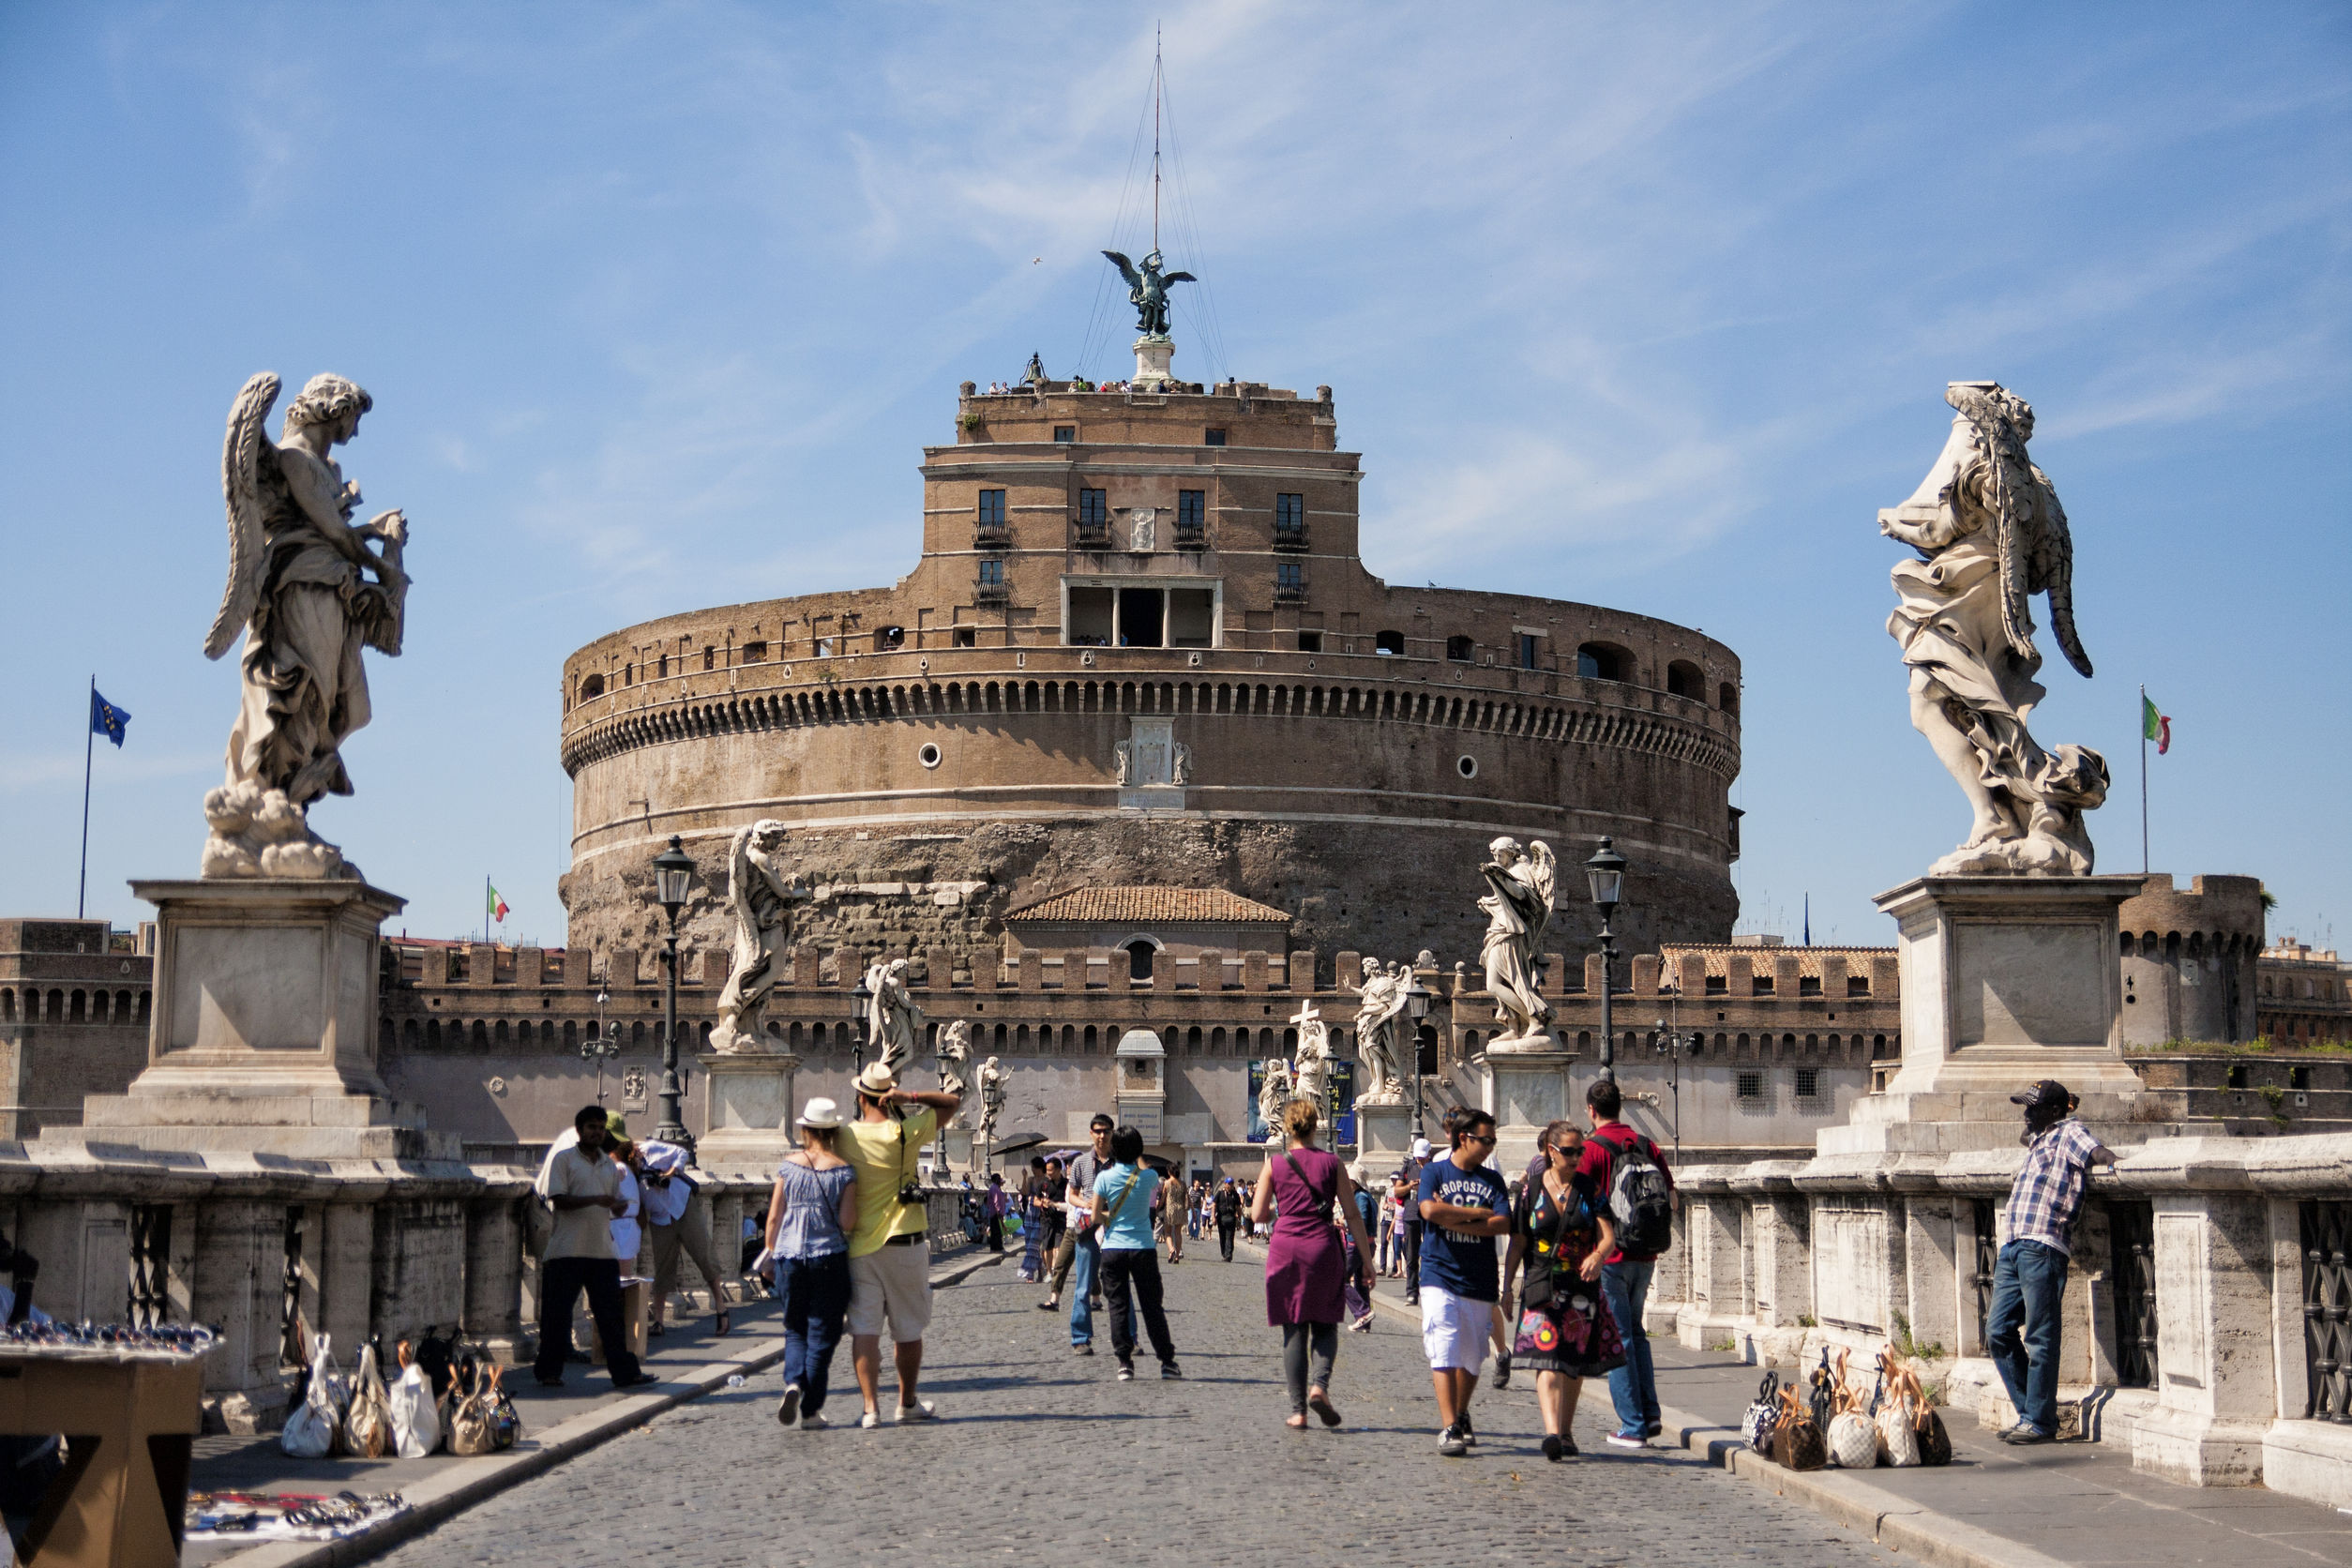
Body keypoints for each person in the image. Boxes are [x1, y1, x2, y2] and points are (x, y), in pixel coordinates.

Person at [1989, 1079, 2117, 1445]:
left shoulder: (2070, 1132)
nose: (2026, 1113)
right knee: (1997, 1332)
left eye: (2033, 1107)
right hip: (2012, 1244)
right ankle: (2032, 1413)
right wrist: (2033, 1126)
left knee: (2040, 1337)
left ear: (2057, 1111)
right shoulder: (2038, 1140)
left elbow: (2097, 1153)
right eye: (2025, 1107)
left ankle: (2040, 1422)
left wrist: (2115, 1164)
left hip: (2043, 1245)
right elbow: (2026, 1133)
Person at [840, 1062, 961, 1427]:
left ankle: (869, 1408)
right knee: (907, 1329)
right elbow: (952, 1102)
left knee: (865, 1329)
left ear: (860, 1097)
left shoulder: (844, 1136)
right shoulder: (905, 1132)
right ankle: (906, 1403)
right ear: (886, 1096)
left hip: (860, 1245)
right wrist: (908, 1096)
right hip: (905, 1242)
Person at [1502, 1120, 1624, 1462]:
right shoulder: (1531, 1190)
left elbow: (1608, 1235)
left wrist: (1599, 1256)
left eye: (1580, 1151)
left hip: (1580, 1287)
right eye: (1569, 1152)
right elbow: (1518, 1241)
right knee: (1546, 1359)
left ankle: (1567, 1432)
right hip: (1542, 1282)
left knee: (1571, 1363)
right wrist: (1508, 1287)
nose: (1576, 1158)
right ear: (1550, 1151)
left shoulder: (1589, 1189)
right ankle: (1552, 1432)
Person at [1253, 1099, 1373, 1427]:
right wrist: (1366, 1260)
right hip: (1322, 1247)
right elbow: (1352, 1216)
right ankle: (1320, 1386)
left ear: (1288, 1127)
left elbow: (1257, 1215)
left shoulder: (1275, 1164)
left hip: (1286, 1248)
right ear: (1315, 1124)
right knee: (1324, 1323)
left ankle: (1298, 1411)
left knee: (1293, 1328)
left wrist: (1285, 1210)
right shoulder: (1333, 1163)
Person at [1576, 1078, 1676, 1447]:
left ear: (1591, 1110)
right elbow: (1673, 1198)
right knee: (1635, 1333)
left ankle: (1632, 1426)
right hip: (1646, 1252)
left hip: (1611, 1256)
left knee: (1617, 1338)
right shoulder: (1648, 1145)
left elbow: (1579, 1204)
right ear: (1621, 1106)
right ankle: (1650, 1416)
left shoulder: (1591, 1149)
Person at [533, 1106, 656, 1391]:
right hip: (566, 1250)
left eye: (601, 1128)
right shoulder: (564, 1161)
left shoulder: (609, 1166)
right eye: (591, 1127)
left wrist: (616, 1207)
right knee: (556, 1317)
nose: (597, 1132)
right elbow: (559, 1200)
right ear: (579, 1130)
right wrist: (598, 1199)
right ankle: (548, 1372)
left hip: (601, 1251)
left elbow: (606, 1206)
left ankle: (625, 1373)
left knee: (611, 1317)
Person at [1417, 1108, 1511, 1456]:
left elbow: (1503, 1223)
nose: (1490, 1146)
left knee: (1473, 1357)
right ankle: (1450, 1427)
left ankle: (1461, 1411)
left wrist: (1454, 1219)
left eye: (1493, 1140)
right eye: (1485, 1140)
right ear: (1463, 1138)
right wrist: (1480, 1214)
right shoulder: (1435, 1172)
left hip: (1480, 1276)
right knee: (1444, 1345)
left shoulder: (1493, 1181)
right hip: (1438, 1273)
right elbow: (1428, 1211)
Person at [766, 1097, 857, 1428]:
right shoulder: (844, 1171)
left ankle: (792, 1382)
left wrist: (771, 1254)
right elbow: (847, 1222)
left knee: (794, 1329)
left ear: (805, 1130)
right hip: (828, 1259)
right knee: (821, 1334)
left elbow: (774, 1217)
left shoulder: (788, 1167)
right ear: (834, 1131)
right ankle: (810, 1411)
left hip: (789, 1258)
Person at [1091, 1126, 1180, 1381]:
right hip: (1143, 1248)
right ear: (1139, 1150)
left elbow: (1096, 1216)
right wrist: (1137, 1153)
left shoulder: (1104, 1179)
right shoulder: (1150, 1177)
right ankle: (1166, 1362)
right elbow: (1141, 1164)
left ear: (1113, 1149)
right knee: (1152, 1307)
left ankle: (1124, 1363)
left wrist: (1113, 1216)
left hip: (1113, 1249)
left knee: (1118, 1306)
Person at [639, 1133, 731, 1339]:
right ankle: (659, 1321)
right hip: (660, 1218)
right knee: (662, 1267)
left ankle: (721, 1308)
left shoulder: (649, 1149)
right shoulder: (625, 1172)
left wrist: (671, 1172)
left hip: (683, 1206)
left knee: (704, 1255)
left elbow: (682, 1152)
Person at [1061, 1115, 1116, 1353]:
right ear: (1091, 1133)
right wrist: (1084, 1203)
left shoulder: (1121, 1162)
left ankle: (1129, 1338)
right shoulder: (1082, 1162)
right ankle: (1080, 1337)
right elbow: (1071, 1194)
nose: (1102, 1135)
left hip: (1114, 1225)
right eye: (1097, 1131)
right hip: (1088, 1225)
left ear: (1112, 1133)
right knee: (1083, 1284)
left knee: (1120, 1284)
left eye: (1106, 1131)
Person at [1402, 1137, 1433, 1304]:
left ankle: (1430, 1290)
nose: (1419, 1159)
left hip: (1430, 1215)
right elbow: (1398, 1190)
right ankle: (1412, 1291)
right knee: (1412, 1255)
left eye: (1423, 1156)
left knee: (1430, 1254)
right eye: (1417, 1156)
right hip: (1412, 1213)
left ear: (1430, 1154)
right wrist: (1409, 1186)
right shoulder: (1409, 1166)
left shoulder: (1435, 1168)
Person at [1156, 1167, 1186, 1264]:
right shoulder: (1183, 1183)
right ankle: (1177, 1256)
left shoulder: (1167, 1183)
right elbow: (1186, 1197)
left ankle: (1171, 1249)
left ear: (1170, 1172)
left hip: (1170, 1209)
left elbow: (1163, 1198)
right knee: (1178, 1233)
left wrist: (1157, 1208)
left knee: (1168, 1233)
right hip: (1180, 1209)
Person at [1214, 1178, 1242, 1261]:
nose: (1230, 1185)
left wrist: (1239, 1218)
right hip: (1221, 1218)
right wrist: (1213, 1217)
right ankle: (1224, 1253)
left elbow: (1238, 1207)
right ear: (1225, 1184)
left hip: (1231, 1218)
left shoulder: (1235, 1194)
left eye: (1232, 1183)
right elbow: (1214, 1205)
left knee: (1230, 1237)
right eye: (1229, 1184)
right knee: (1222, 1237)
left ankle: (1228, 1254)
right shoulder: (1219, 1193)